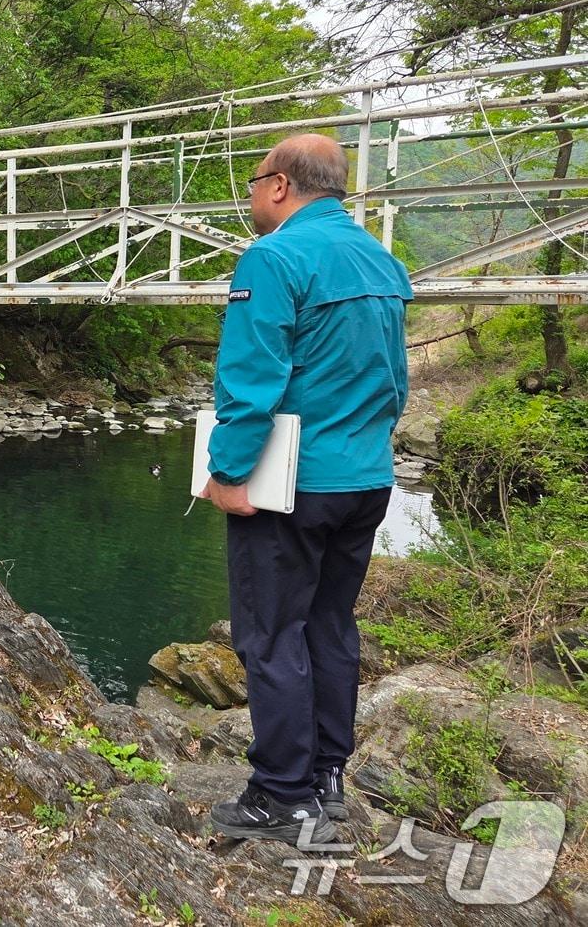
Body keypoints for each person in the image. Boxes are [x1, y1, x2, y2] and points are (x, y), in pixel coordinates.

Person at [201, 133, 413, 845]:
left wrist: (227, 473)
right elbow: (395, 381)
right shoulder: (379, 258)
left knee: (268, 634)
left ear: (282, 185)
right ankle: (327, 778)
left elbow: (250, 381)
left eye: (255, 181)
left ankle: (282, 794)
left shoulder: (273, 257)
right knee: (329, 627)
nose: (251, 195)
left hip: (293, 485)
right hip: (366, 477)